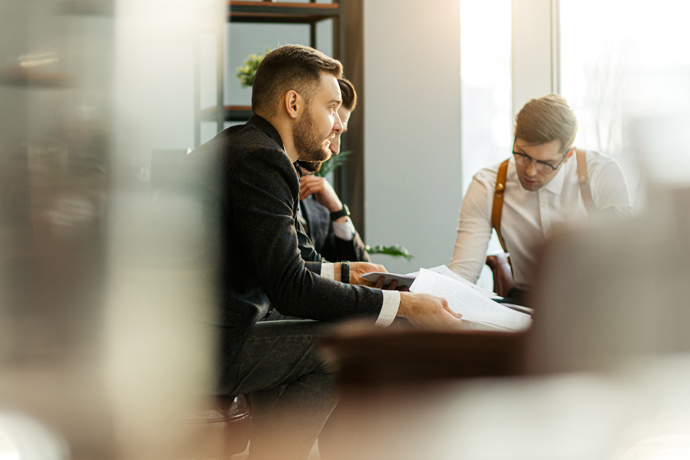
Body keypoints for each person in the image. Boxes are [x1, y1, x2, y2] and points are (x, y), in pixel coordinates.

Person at [169, 44, 462, 460]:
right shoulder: (261, 160)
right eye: (332, 107)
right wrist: (406, 306)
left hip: (193, 337)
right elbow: (289, 287)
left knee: (341, 326)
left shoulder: (243, 146)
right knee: (349, 341)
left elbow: (275, 266)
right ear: (293, 103)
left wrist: (344, 272)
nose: (338, 122)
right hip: (201, 351)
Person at [448, 94, 632, 301]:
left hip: (593, 304)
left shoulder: (601, 174)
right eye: (523, 156)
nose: (531, 171)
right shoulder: (487, 185)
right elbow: (463, 274)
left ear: (567, 155)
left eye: (546, 163)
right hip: (524, 307)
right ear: (515, 135)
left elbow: (625, 266)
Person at [296, 77, 370, 263]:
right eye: (333, 131)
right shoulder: (264, 180)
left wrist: (338, 211)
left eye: (340, 133)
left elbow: (359, 268)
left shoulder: (318, 203)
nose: (335, 149)